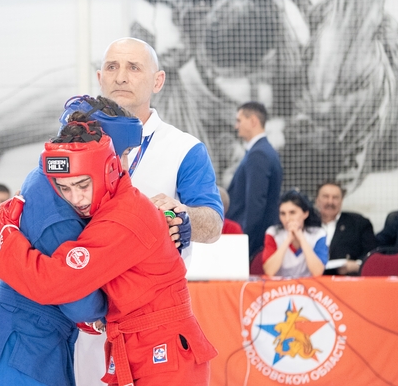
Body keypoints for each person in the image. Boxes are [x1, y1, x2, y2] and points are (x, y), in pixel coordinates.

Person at [0, 119, 218, 386]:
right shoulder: (113, 210)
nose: (75, 199)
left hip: (164, 353)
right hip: (142, 346)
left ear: (108, 171)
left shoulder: (122, 218)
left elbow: (54, 281)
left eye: (82, 185)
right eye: (65, 188)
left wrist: (7, 237)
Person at [0, 96, 145, 386]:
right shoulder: (57, 204)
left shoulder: (53, 183)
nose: (124, 166)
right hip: (23, 344)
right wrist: (111, 306)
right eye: (122, 154)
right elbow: (76, 299)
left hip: (24, 341)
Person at [97, 37, 224, 246]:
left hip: (155, 266)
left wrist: (182, 214)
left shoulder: (184, 149)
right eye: (112, 67)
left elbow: (213, 226)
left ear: (158, 81)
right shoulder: (72, 143)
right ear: (100, 78)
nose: (120, 78)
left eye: (134, 68)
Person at [227, 102, 283, 258]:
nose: (236, 126)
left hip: (249, 241)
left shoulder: (259, 154)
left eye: (239, 120)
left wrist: (244, 240)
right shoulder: (261, 151)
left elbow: (255, 204)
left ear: (253, 121)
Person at [314, 182, 377, 275]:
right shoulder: (307, 224)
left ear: (342, 200)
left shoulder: (359, 223)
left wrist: (357, 265)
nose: (330, 202)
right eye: (326, 197)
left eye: (335, 198)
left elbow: (372, 255)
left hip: (346, 279)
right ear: (317, 200)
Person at [262, 190, 328, 277]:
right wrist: (288, 240)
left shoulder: (318, 234)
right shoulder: (273, 233)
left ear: (305, 214)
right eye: (283, 213)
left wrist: (301, 238)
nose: (287, 219)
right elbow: (269, 271)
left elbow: (318, 271)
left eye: (292, 213)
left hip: (308, 284)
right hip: (280, 284)